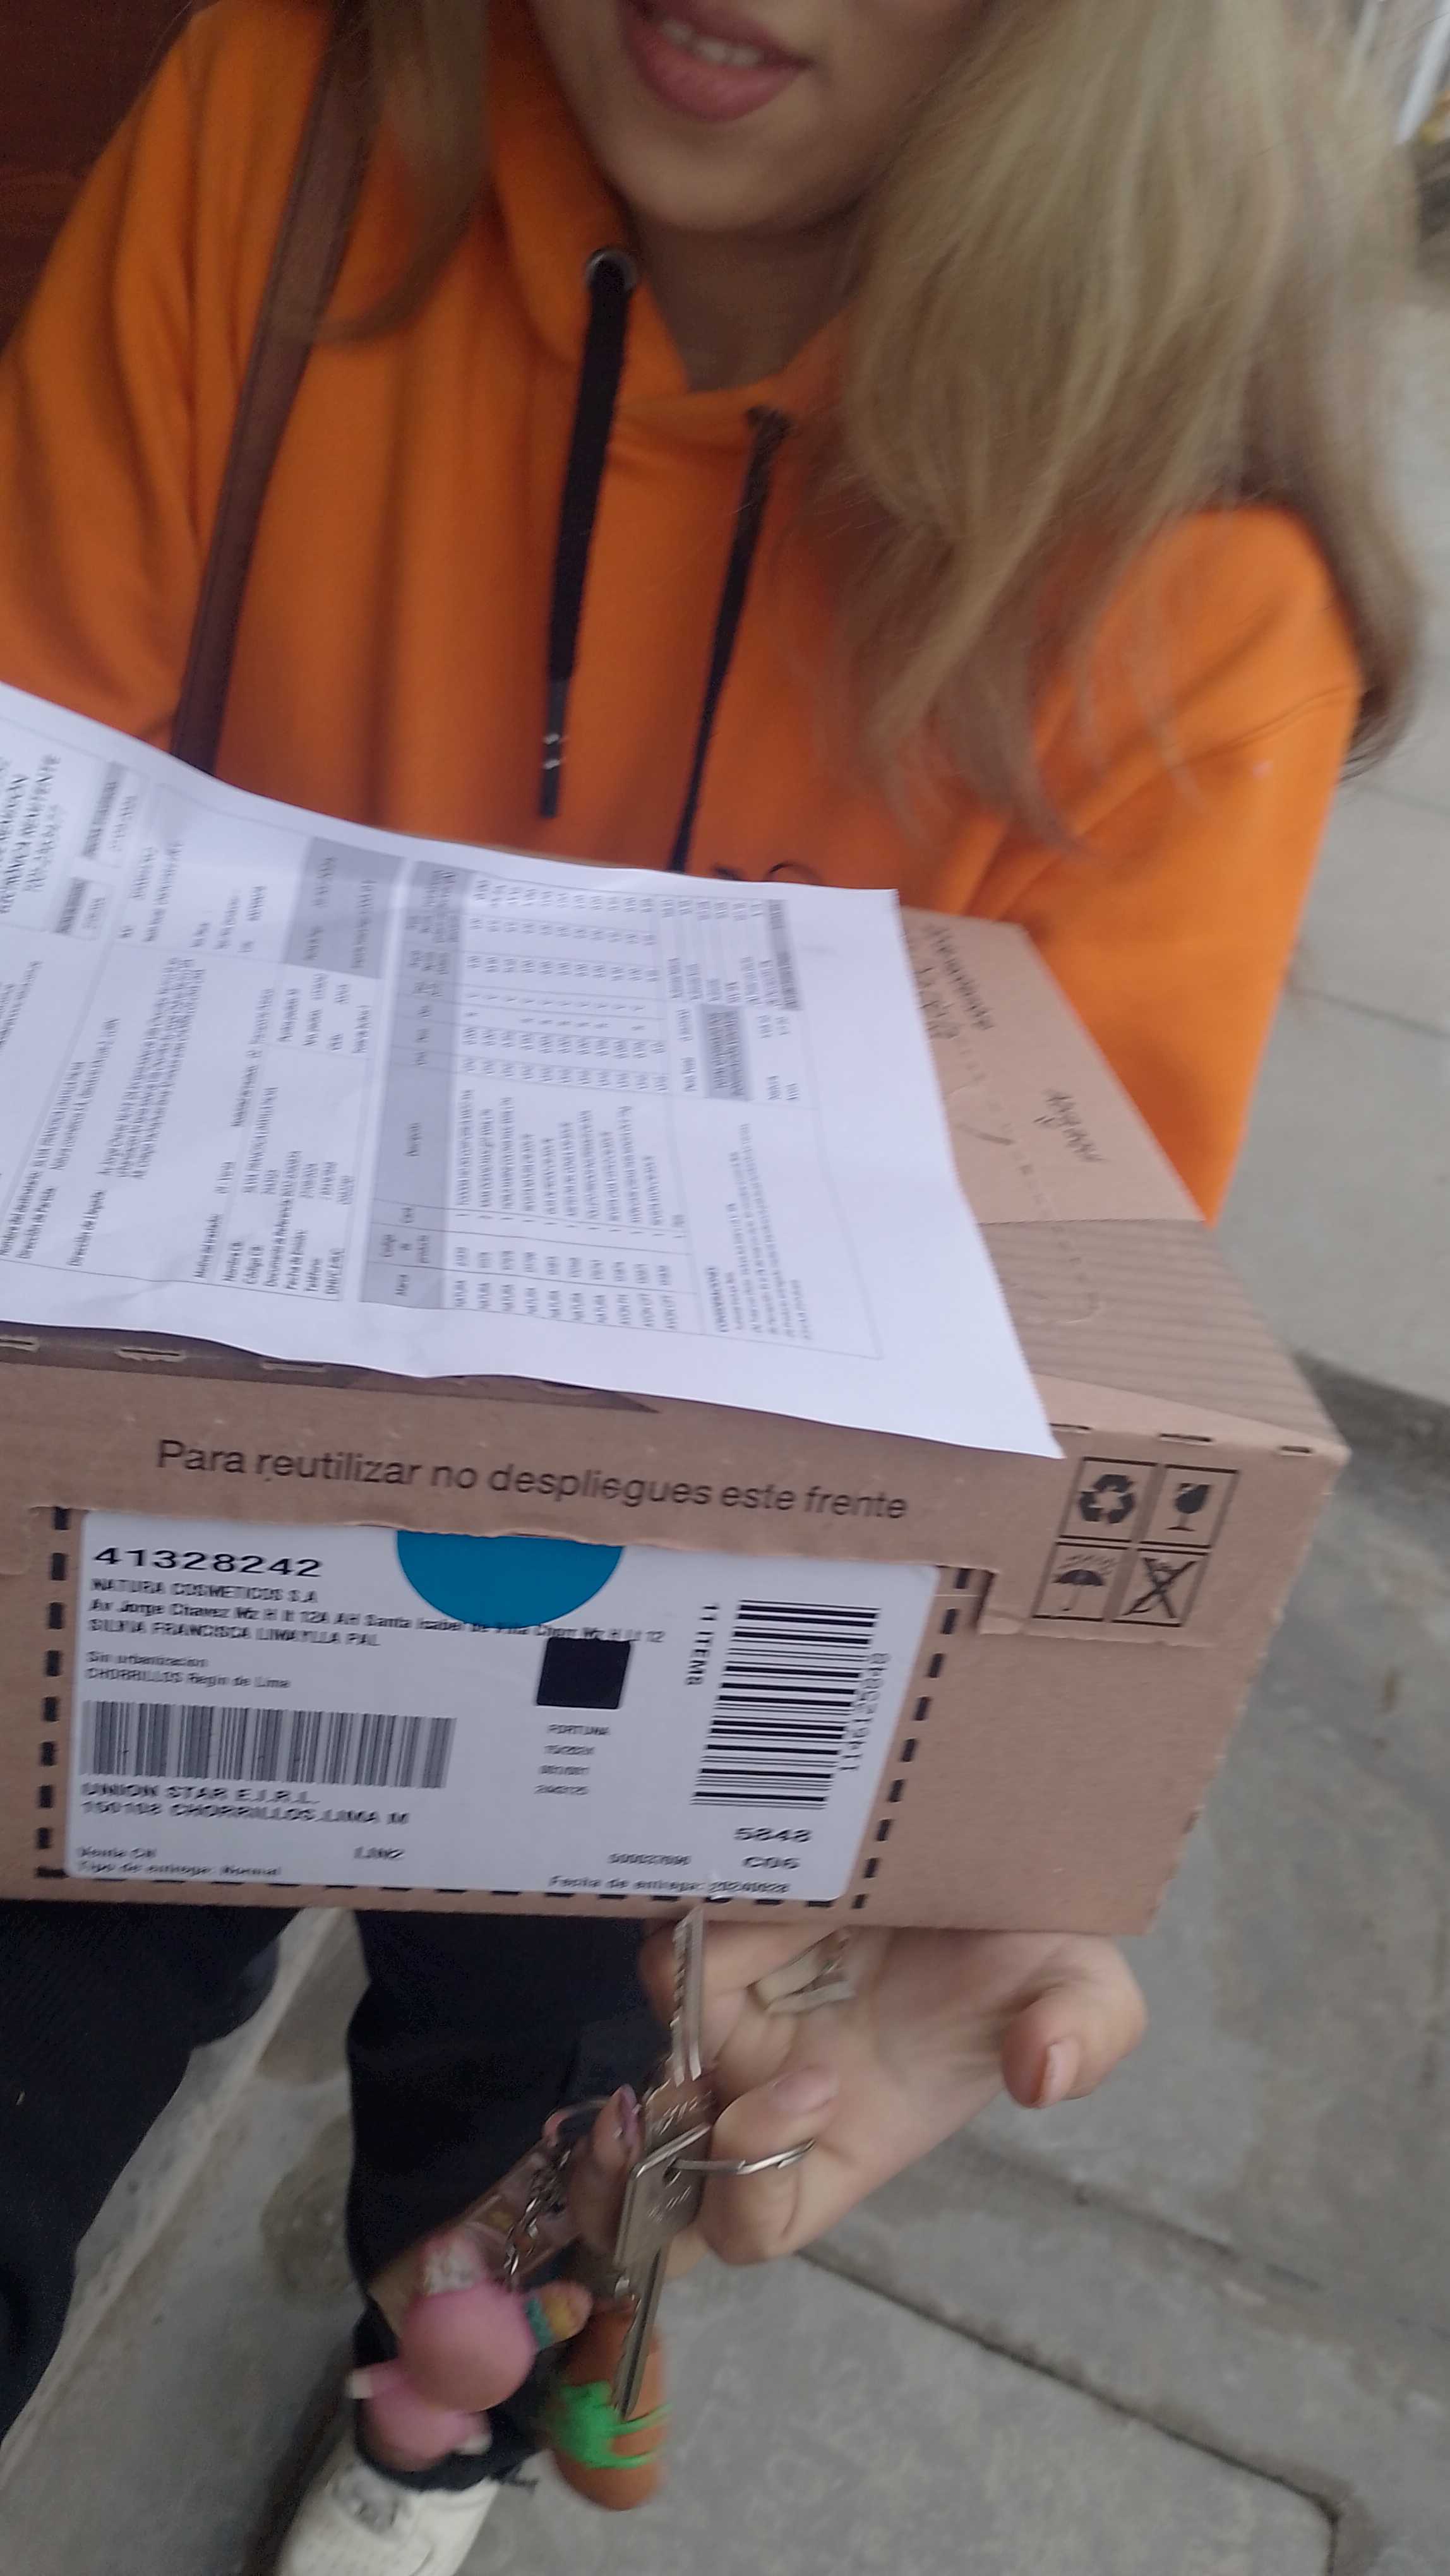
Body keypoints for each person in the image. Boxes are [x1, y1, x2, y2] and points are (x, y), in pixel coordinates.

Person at [0, 0, 1417, 2567]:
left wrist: (997, 1778)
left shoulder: (1193, 556)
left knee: (548, 2165)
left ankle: (437, 2449)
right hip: (155, 1469)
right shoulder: (295, 123)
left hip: (677, 1618)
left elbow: (1057, 1319)